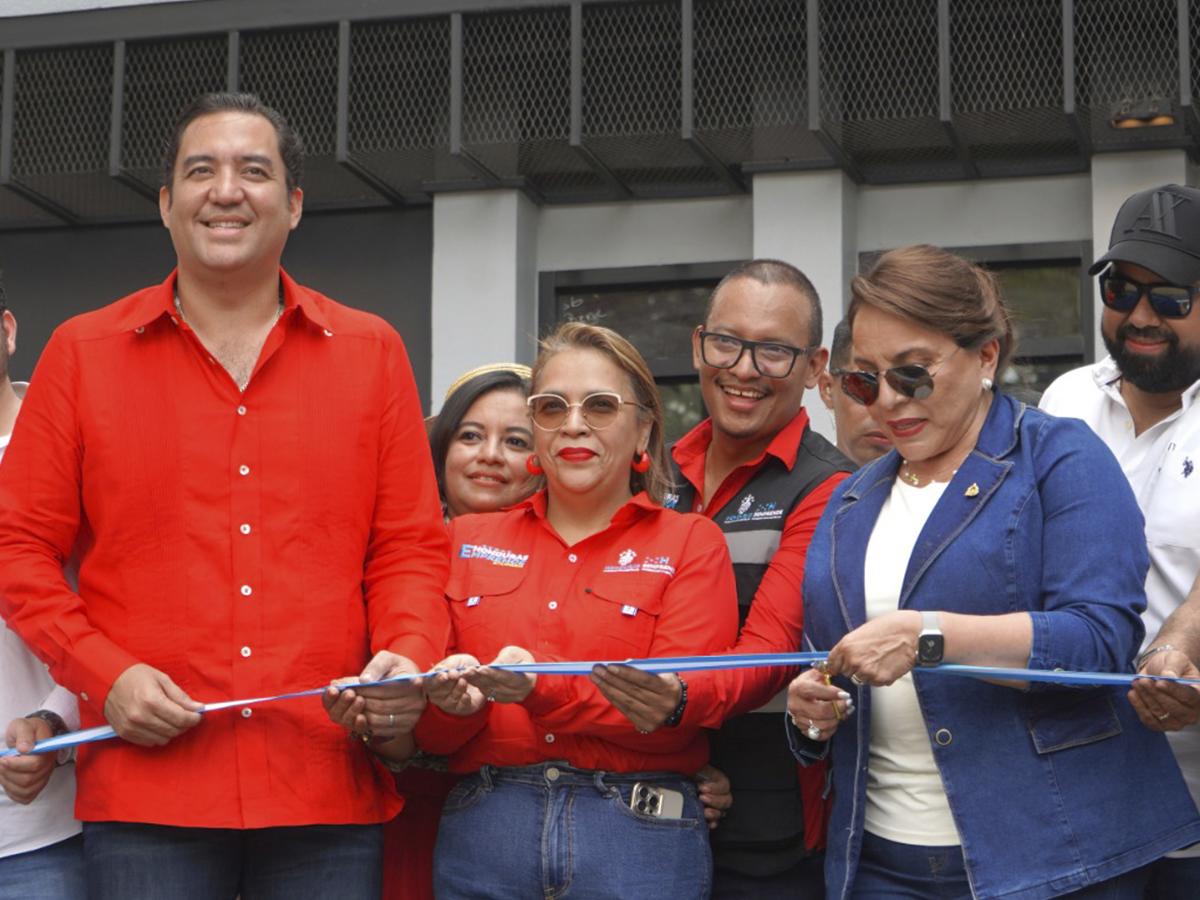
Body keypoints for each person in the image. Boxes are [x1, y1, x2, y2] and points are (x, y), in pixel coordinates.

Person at [0, 92, 448, 900]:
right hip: (146, 795)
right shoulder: (82, 353)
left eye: (254, 170)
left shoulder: (371, 351)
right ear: (168, 205)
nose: (226, 190)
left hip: (324, 782)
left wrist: (405, 656)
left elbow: (409, 548)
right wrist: (106, 673)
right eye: (200, 171)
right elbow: (18, 551)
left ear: (295, 204)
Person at [787, 243, 1200, 899]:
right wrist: (812, 705)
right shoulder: (850, 499)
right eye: (864, 380)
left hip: (1056, 855)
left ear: (985, 356)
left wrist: (928, 633)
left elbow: (1097, 644)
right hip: (880, 858)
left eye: (912, 374)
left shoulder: (1062, 457)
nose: (888, 401)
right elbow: (829, 659)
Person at [413, 322, 739, 899]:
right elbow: (437, 741)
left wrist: (538, 689)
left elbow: (675, 715)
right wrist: (452, 707)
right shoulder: (462, 539)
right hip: (487, 827)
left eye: (601, 405)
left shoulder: (693, 541)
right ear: (535, 434)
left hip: (635, 835)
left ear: (644, 432)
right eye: (551, 407)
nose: (573, 424)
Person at [592, 259, 850, 898]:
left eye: (774, 352)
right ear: (698, 345)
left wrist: (676, 703)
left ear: (816, 369)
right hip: (634, 810)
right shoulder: (651, 474)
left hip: (768, 835)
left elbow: (772, 650)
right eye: (727, 342)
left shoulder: (832, 487)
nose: (742, 368)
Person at [1040, 183, 1200, 895]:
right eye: (1120, 290)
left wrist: (1179, 645)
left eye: (1170, 298)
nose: (1140, 315)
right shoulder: (1063, 402)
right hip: (1075, 797)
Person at [382, 362, 537, 900]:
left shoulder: (577, 559)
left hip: (527, 813)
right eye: (470, 436)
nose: (490, 455)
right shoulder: (388, 555)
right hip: (398, 805)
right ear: (442, 448)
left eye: (515, 440)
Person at [0, 290, 86, 897]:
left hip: (36, 833)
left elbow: (114, 606)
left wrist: (56, 720)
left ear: (7, 330)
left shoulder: (68, 455)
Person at [818, 318, 892, 466]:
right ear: (827, 389)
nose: (886, 404)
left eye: (901, 386)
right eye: (864, 384)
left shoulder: (944, 487)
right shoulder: (802, 486)